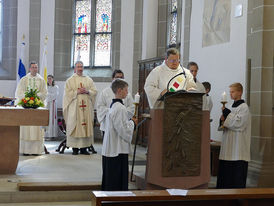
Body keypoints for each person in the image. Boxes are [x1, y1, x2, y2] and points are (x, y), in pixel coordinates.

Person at [101, 78, 137, 191]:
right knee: (116, 180)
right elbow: (122, 129)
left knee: (110, 178)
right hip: (117, 149)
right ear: (119, 90)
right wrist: (133, 123)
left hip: (111, 148)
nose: (127, 92)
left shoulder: (113, 106)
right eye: (126, 90)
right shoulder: (120, 108)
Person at [216, 83, 251, 189]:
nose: (230, 94)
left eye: (233, 91)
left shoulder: (244, 107)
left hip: (238, 150)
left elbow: (239, 124)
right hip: (228, 148)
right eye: (230, 92)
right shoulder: (230, 107)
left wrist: (228, 115)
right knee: (225, 180)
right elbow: (224, 125)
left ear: (240, 92)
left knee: (236, 180)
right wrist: (222, 121)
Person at [63, 61, 97, 155]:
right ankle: (74, 148)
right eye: (78, 67)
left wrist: (87, 91)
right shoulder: (70, 80)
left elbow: (94, 91)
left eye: (81, 67)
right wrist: (77, 92)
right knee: (75, 125)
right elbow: (67, 94)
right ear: (75, 68)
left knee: (85, 125)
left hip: (86, 107)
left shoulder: (88, 80)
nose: (80, 68)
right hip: (74, 107)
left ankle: (84, 148)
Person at [15, 61, 48, 155]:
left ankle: (35, 151)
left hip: (37, 108)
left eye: (36, 67)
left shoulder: (41, 80)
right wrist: (28, 97)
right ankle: (25, 150)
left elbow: (45, 93)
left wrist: (36, 96)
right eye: (33, 67)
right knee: (26, 129)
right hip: (26, 108)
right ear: (29, 69)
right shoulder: (24, 79)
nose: (34, 69)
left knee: (36, 129)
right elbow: (19, 92)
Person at [96, 69, 134, 137]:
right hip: (107, 125)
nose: (119, 79)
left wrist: (122, 113)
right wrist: (112, 111)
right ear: (113, 78)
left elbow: (131, 108)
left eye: (121, 77)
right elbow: (100, 107)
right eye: (117, 77)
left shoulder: (127, 94)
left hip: (122, 125)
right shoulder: (105, 92)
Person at [45, 75, 59, 139]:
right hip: (47, 104)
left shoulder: (56, 87)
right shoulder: (46, 87)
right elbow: (44, 95)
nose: (49, 80)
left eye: (50, 79)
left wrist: (48, 95)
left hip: (52, 104)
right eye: (48, 79)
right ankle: (47, 134)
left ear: (53, 79)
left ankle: (52, 134)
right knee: (47, 118)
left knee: (52, 118)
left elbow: (55, 95)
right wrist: (48, 96)